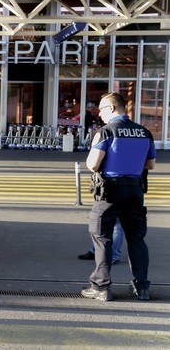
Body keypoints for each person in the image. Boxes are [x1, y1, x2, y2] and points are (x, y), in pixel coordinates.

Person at [81, 92, 155, 302]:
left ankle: (101, 287)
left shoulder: (106, 132)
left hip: (109, 191)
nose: (100, 114)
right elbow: (150, 165)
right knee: (136, 238)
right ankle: (142, 287)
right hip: (135, 190)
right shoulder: (144, 132)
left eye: (102, 109)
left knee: (101, 236)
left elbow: (93, 165)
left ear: (112, 108)